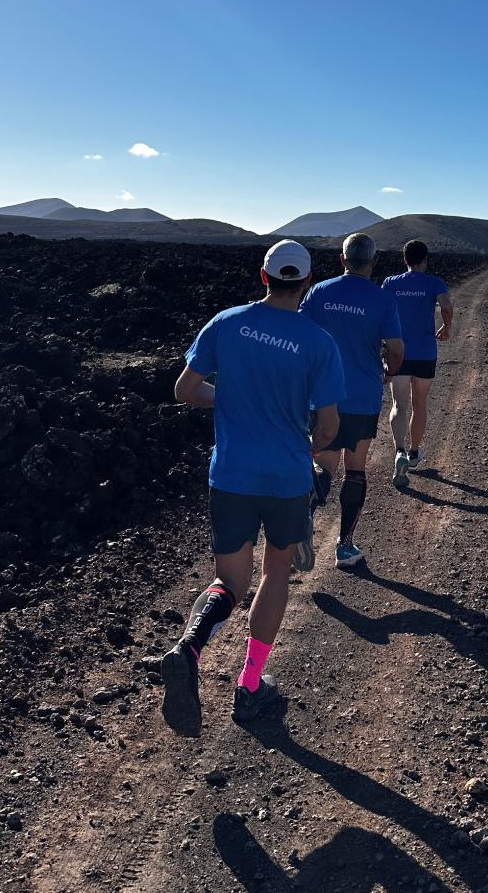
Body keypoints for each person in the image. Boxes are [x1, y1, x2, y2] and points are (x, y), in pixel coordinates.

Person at [160, 240, 345, 735]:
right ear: (305, 283)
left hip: (231, 476)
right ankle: (249, 684)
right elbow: (328, 429)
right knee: (276, 574)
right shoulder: (318, 342)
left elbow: (184, 389)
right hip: (285, 479)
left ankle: (190, 647)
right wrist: (305, 447)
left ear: (263, 277)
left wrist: (232, 400)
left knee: (230, 582)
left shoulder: (225, 323)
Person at [298, 232, 404, 570]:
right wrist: (389, 369)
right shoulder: (383, 299)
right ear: (374, 262)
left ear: (342, 259)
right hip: (362, 396)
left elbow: (299, 335)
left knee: (323, 465)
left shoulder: (318, 292)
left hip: (321, 397)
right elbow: (397, 349)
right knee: (355, 469)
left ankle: (304, 516)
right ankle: (344, 548)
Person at [381, 239, 454, 487]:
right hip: (425, 352)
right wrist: (447, 326)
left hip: (397, 351)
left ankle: (399, 451)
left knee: (399, 404)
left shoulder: (390, 282)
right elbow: (447, 305)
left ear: (405, 260)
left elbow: (382, 311)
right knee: (419, 403)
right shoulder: (434, 282)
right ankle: (414, 452)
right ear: (425, 260)